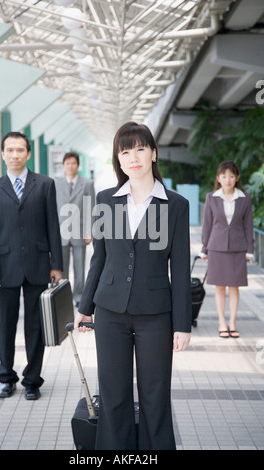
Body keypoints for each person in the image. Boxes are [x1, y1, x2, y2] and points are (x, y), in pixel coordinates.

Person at [74, 122, 192, 450]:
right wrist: (85, 308)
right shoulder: (105, 200)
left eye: (140, 148)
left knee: (155, 397)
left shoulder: (176, 205)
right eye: (125, 151)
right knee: (113, 396)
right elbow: (99, 259)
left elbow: (180, 269)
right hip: (110, 312)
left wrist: (182, 325)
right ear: (118, 159)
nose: (133, 157)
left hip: (156, 315)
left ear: (153, 154)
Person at [0, 132, 63, 400]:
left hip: (39, 265)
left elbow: (53, 227)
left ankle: (32, 380)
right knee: (5, 325)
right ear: (3, 154)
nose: (15, 155)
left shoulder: (45, 185)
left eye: (20, 150)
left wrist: (57, 265)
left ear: (28, 154)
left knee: (36, 326)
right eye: (10, 150)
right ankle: (6, 377)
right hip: (4, 268)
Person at [200, 160, 254, 338]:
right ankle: (222, 322)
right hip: (217, 247)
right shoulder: (211, 197)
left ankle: (232, 323)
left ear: (237, 177)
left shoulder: (244, 198)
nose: (228, 180)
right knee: (220, 287)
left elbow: (248, 225)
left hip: (238, 248)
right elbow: (207, 225)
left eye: (231, 176)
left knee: (234, 286)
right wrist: (204, 248)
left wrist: (250, 250)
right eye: (224, 176)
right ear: (218, 178)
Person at [54, 151, 95, 307]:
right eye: (67, 163)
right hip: (61, 232)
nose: (70, 166)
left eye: (73, 163)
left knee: (79, 268)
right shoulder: (56, 183)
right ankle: (63, 296)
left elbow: (91, 208)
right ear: (63, 166)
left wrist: (89, 231)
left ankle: (78, 296)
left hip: (80, 231)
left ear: (78, 165)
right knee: (61, 268)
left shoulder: (87, 184)